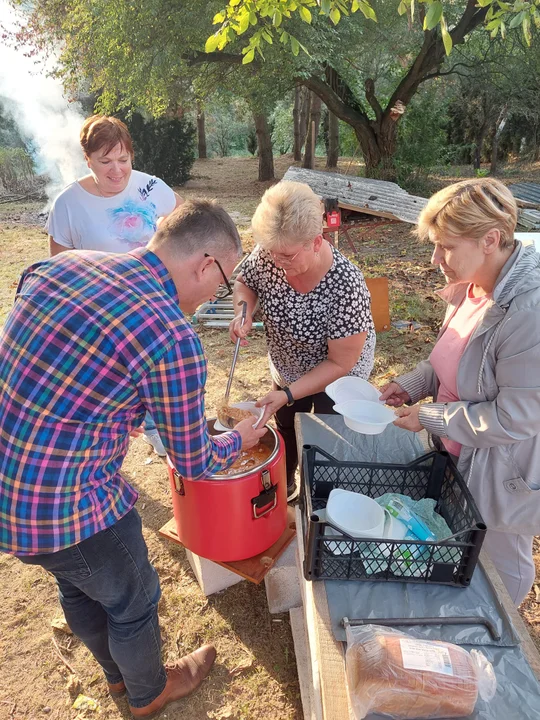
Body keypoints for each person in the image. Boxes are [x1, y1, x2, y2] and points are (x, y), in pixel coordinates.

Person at [0, 200, 267, 718]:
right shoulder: (172, 337)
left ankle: (118, 677)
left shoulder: (62, 265)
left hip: (10, 487)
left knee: (77, 583)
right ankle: (148, 691)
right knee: (134, 594)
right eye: (223, 282)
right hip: (65, 504)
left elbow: (61, 363)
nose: (218, 294)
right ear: (205, 264)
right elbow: (193, 463)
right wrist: (239, 436)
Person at [379, 178, 540, 606]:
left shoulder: (528, 312)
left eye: (446, 246)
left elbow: (514, 417)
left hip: (501, 472)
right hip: (457, 452)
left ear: (490, 240)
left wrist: (431, 417)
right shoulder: (470, 286)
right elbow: (448, 359)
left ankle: (510, 639)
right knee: (459, 548)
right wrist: (411, 384)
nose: (435, 260)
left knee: (500, 570)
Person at [46, 114, 183, 457]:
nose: (116, 170)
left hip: (154, 309)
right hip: (101, 320)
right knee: (114, 392)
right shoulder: (68, 205)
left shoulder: (149, 186)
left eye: (123, 159)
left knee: (160, 381)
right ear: (87, 159)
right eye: (105, 161)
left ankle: (162, 431)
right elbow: (59, 272)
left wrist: (167, 230)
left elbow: (183, 218)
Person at [230, 181, 376, 499]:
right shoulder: (272, 251)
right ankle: (287, 486)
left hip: (336, 378)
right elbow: (245, 281)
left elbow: (341, 362)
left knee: (326, 438)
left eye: (286, 256)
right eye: (271, 253)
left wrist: (288, 393)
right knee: (286, 426)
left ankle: (321, 499)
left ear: (316, 241)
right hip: (286, 365)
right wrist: (243, 311)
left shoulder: (346, 285)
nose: (278, 264)